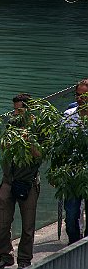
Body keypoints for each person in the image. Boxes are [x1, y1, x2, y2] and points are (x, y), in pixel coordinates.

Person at [0, 93, 42, 269]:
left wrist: (29, 140)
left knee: (28, 225)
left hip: (28, 181)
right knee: (3, 222)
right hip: (8, 180)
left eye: (19, 110)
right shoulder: (10, 125)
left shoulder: (38, 127)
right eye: (14, 110)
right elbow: (3, 148)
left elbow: (40, 155)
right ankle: (5, 255)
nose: (15, 113)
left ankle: (24, 259)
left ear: (29, 110)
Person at [62, 78, 88, 245]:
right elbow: (60, 146)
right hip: (72, 174)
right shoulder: (68, 117)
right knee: (71, 218)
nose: (79, 99)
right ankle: (73, 248)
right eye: (78, 95)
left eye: (84, 96)